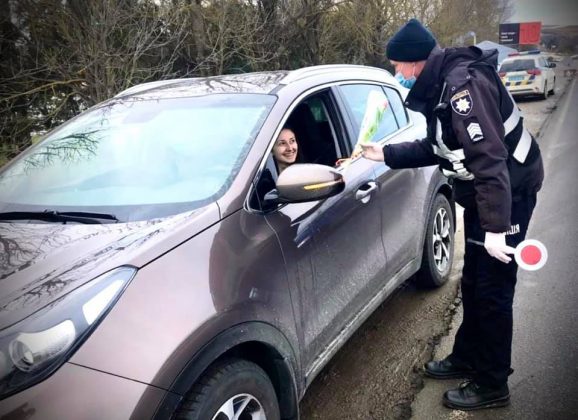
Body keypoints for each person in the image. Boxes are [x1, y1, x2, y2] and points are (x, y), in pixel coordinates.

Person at [361, 19, 544, 411]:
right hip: (486, 196)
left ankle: (493, 383)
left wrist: (497, 229)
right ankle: (467, 357)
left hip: (508, 193)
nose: (397, 73)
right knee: (475, 281)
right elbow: (439, 147)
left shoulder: (463, 89)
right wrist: (385, 154)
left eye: (398, 66)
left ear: (417, 62)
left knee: (493, 291)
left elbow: (490, 160)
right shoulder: (441, 86)